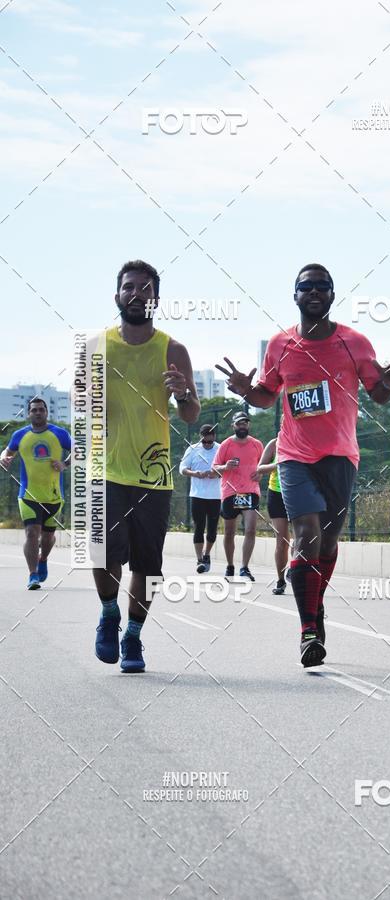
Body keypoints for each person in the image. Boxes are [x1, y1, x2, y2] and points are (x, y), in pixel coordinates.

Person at [217, 263, 390, 666]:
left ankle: (314, 605)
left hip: (340, 457)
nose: (314, 292)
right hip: (294, 456)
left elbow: (378, 394)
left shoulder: (354, 342)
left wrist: (389, 381)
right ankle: (309, 631)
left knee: (328, 543)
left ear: (333, 295)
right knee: (306, 535)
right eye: (307, 287)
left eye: (322, 286)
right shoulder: (280, 344)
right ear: (295, 294)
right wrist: (246, 390)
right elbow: (267, 395)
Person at [93, 260, 199, 673]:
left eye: (145, 288)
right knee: (102, 556)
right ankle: (108, 613)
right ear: (117, 294)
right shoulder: (95, 346)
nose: (136, 294)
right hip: (105, 470)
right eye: (129, 287)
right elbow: (83, 411)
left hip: (153, 477)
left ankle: (133, 637)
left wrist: (184, 393)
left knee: (147, 566)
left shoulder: (173, 350)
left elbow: (191, 415)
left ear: (156, 298)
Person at [0, 397, 71, 589]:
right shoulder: (20, 435)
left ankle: (43, 558)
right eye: (34, 410)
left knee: (47, 538)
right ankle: (32, 575)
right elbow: (6, 452)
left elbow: (80, 450)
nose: (38, 413)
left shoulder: (60, 434)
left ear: (46, 412)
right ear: (28, 413)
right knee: (32, 533)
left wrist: (64, 464)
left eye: (41, 409)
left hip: (54, 496)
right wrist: (4, 459)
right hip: (28, 494)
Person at [212, 411, 263, 581]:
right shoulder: (226, 445)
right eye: (239, 423)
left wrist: (260, 475)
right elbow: (214, 468)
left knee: (250, 529)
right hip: (230, 492)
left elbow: (261, 467)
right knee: (229, 532)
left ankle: (245, 567)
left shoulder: (257, 444)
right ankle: (230, 565)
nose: (243, 426)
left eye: (245, 423)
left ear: (249, 425)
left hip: (250, 491)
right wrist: (225, 466)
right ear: (233, 425)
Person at [179, 423, 221, 573]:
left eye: (210, 441)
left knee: (212, 530)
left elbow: (227, 469)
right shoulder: (193, 449)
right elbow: (182, 468)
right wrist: (195, 473)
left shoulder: (220, 448)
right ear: (200, 438)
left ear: (214, 437)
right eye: (205, 442)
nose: (207, 444)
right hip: (197, 495)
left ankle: (207, 553)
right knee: (199, 527)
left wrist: (216, 473)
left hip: (215, 495)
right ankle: (199, 559)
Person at [255, 437, 291, 594]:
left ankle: (295, 568)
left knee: (304, 538)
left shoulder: (304, 438)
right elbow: (260, 468)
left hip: (298, 493)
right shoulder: (274, 443)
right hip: (276, 493)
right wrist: (277, 465)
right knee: (282, 540)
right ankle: (281, 579)